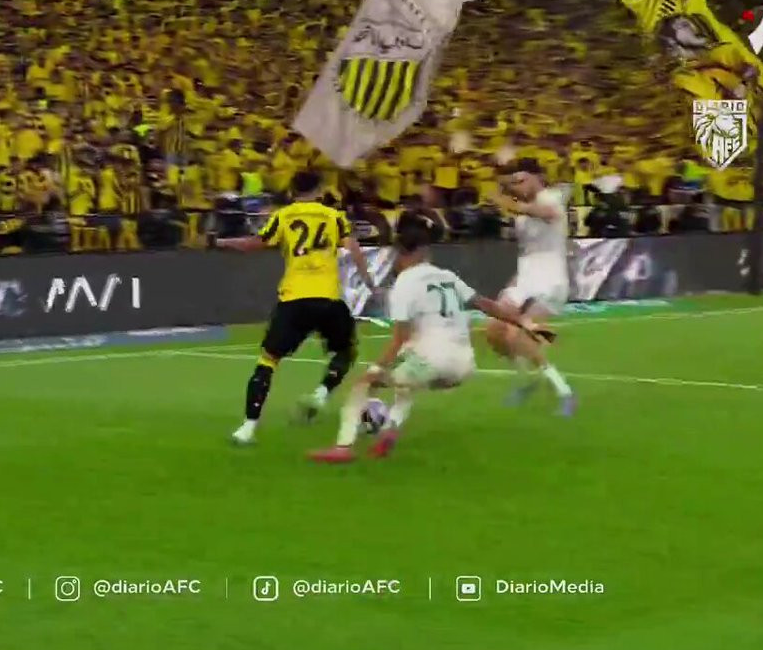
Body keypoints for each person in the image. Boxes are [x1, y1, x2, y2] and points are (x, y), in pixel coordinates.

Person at [310, 213, 555, 463]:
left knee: (363, 384)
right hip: (463, 367)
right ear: (425, 252)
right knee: (406, 372)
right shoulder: (447, 276)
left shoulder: (404, 284)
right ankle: (390, 429)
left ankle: (343, 447)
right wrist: (525, 323)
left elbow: (399, 338)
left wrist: (375, 370)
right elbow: (486, 305)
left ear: (402, 254)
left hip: (431, 363)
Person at [213, 170, 380, 445]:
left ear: (293, 190)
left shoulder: (283, 216)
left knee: (268, 360)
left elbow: (253, 244)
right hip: (328, 298)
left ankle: (247, 427)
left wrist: (221, 242)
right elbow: (355, 251)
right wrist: (371, 286)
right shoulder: (334, 216)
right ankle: (321, 394)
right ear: (319, 189)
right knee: (346, 351)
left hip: (294, 298)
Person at [485, 158, 577, 416]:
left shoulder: (550, 198)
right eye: (514, 182)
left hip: (549, 281)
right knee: (494, 331)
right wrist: (515, 281)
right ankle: (526, 377)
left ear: (538, 178)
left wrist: (506, 202)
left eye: (522, 180)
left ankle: (564, 392)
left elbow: (546, 214)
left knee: (517, 333)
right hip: (526, 279)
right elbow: (528, 252)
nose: (518, 186)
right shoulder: (521, 215)